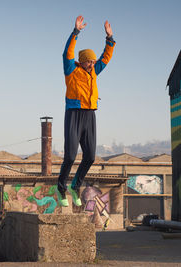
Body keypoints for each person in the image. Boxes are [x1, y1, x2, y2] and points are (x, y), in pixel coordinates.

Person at [57, 16, 116, 207]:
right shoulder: (71, 71)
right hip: (74, 114)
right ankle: (61, 188)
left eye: (93, 61)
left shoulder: (93, 72)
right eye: (88, 61)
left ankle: (75, 186)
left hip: (90, 115)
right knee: (70, 156)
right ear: (81, 61)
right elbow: (67, 52)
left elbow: (106, 58)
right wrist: (75, 32)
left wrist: (109, 38)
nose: (92, 64)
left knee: (90, 156)